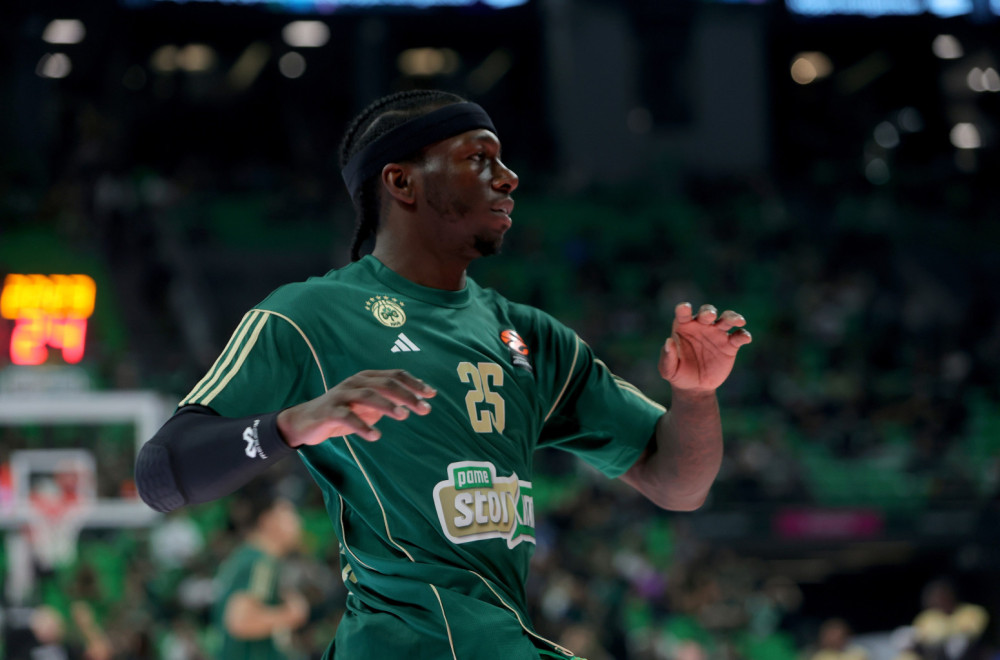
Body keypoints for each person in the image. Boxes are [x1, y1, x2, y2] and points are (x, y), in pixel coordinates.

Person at [135, 89, 752, 659]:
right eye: (479, 159)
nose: (508, 178)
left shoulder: (531, 336)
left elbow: (678, 483)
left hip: (497, 641)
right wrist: (292, 424)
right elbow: (160, 473)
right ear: (402, 181)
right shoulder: (310, 315)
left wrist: (696, 395)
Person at [213, 487, 310, 659]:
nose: (298, 522)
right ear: (269, 521)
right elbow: (241, 622)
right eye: (290, 515)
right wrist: (291, 615)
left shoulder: (246, 556)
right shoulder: (260, 562)